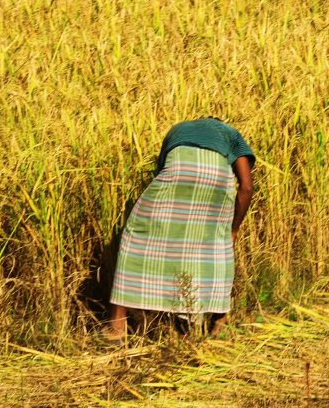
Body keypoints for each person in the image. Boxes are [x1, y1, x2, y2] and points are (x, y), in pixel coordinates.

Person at [103, 117, 255, 341]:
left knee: (135, 237)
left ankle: (117, 327)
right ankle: (220, 323)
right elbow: (247, 186)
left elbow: (164, 172)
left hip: (175, 174)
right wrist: (232, 229)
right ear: (219, 123)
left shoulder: (178, 130)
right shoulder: (230, 133)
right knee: (216, 245)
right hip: (215, 180)